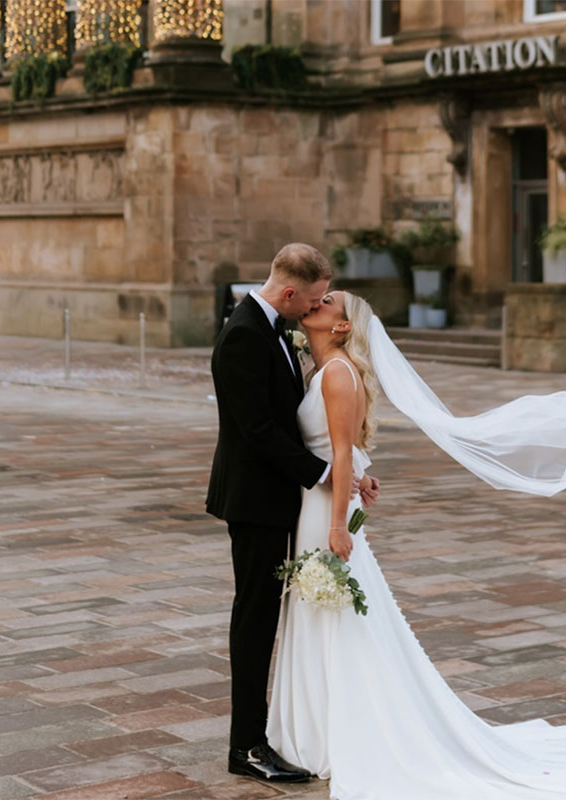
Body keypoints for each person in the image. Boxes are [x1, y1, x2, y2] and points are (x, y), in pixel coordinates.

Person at [266, 290, 566, 800]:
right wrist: (361, 480)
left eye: (327, 302)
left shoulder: (339, 374)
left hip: (325, 515)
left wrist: (339, 526)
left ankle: (336, 734)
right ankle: (320, 728)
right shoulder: (324, 368)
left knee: (339, 616)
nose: (317, 303)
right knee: (328, 614)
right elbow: (341, 451)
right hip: (317, 505)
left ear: (342, 327)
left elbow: (342, 453)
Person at [206, 244, 379, 783]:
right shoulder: (243, 337)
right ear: (287, 293)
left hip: (286, 499)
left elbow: (312, 428)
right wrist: (329, 477)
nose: (310, 310)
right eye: (307, 301)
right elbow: (257, 435)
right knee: (254, 619)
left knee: (273, 617)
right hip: (256, 503)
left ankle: (277, 733)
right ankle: (246, 748)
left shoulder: (278, 332)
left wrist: (348, 472)